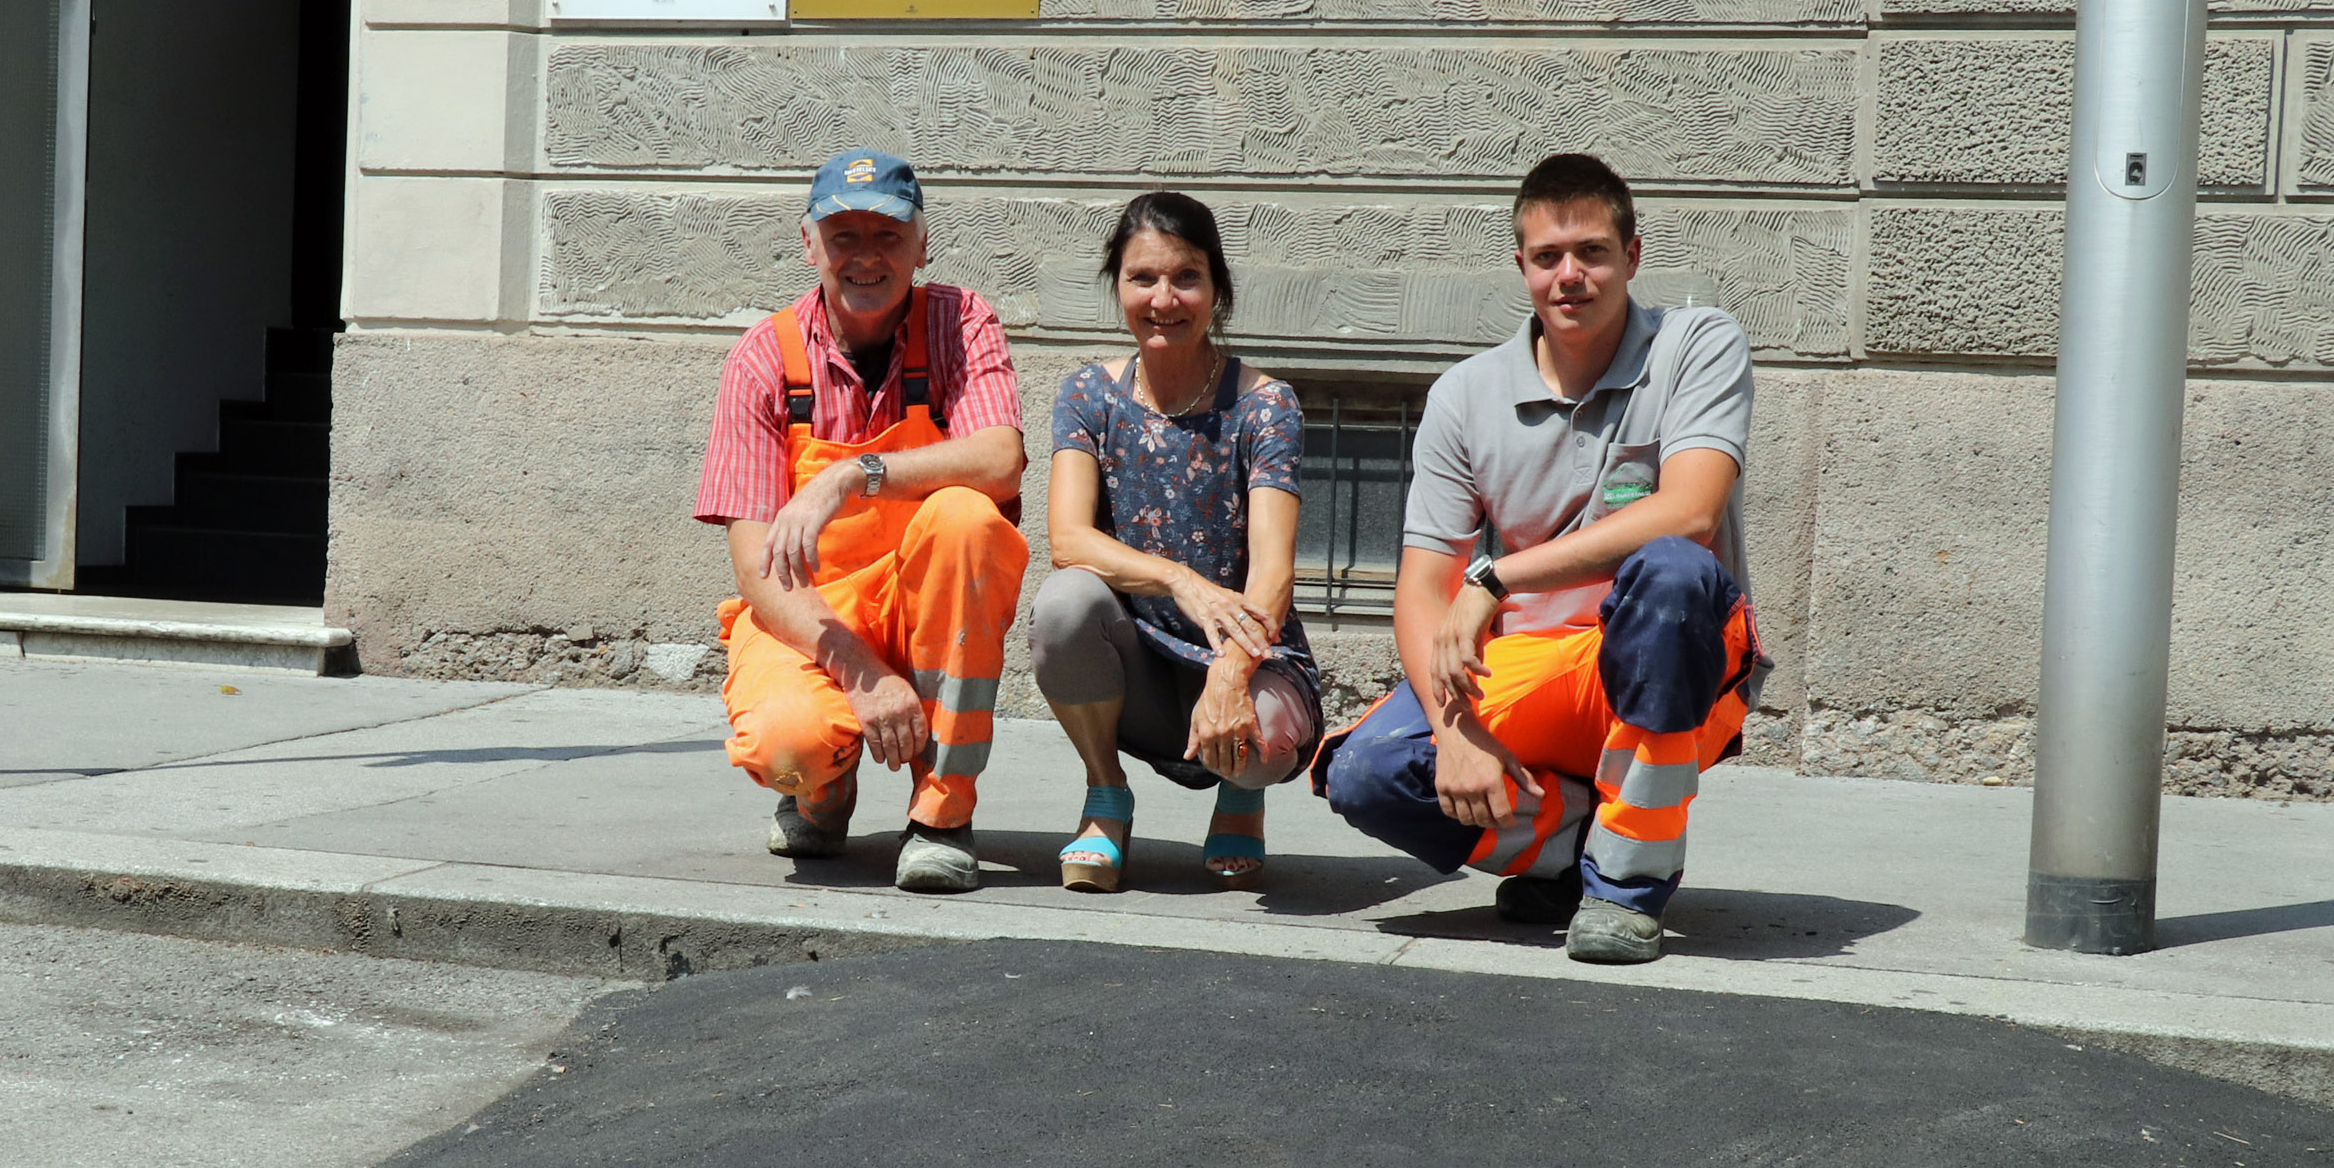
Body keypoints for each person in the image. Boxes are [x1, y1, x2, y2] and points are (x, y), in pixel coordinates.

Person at [1313, 153, 1766, 965]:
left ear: (1631, 256)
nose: (1571, 276)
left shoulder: (1699, 343)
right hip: (1533, 665)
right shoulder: (1466, 394)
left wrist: (1498, 575)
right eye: (1548, 257)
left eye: (1592, 252)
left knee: (1672, 572)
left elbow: (1692, 512)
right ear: (1520, 266)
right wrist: (1455, 733)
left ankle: (1626, 891)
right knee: (1371, 774)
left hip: (1671, 660)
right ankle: (1570, 849)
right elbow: (1422, 587)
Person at [696, 150, 1028, 894]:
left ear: (922, 242)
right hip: (810, 619)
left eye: (888, 234)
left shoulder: (960, 322)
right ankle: (821, 786)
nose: (866, 257)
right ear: (808, 243)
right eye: (844, 236)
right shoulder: (763, 359)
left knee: (968, 520)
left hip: (924, 609)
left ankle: (943, 814)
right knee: (785, 745)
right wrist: (862, 672)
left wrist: (855, 474)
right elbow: (755, 569)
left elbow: (1002, 459)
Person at [1028, 192, 1324, 891]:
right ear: (1118, 286)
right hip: (1141, 674)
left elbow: (1274, 574)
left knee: (1257, 749)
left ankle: (1241, 795)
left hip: (1250, 659)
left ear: (1217, 288)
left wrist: (1230, 674)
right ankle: (1106, 797)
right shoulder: (1087, 396)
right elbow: (1069, 540)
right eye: (1143, 279)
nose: (1165, 299)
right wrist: (1180, 581)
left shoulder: (1266, 404)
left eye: (1186, 278)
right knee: (1064, 604)